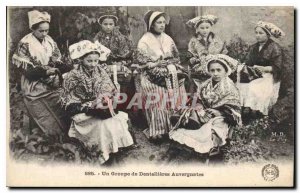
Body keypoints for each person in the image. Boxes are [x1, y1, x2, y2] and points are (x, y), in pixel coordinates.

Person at [61, 40, 134, 164]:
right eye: (89, 61)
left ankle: (114, 149)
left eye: (96, 61)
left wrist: (105, 101)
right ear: (81, 60)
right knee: (102, 125)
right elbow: (68, 99)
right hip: (81, 109)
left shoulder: (100, 71)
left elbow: (109, 89)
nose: (93, 64)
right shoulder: (73, 75)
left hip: (99, 107)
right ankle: (100, 153)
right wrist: (88, 107)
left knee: (116, 119)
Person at [12, 10, 71, 136]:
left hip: (51, 81)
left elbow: (56, 62)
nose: (44, 34)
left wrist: (68, 67)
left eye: (46, 31)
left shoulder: (49, 41)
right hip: (33, 84)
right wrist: (46, 72)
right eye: (41, 31)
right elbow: (27, 71)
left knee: (63, 98)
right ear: (33, 29)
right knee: (43, 107)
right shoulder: (25, 43)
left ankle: (66, 132)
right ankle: (53, 134)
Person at [170, 54, 240, 155]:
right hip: (204, 114)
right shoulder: (205, 84)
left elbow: (235, 110)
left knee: (210, 131)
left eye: (219, 70)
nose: (215, 73)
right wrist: (198, 106)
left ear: (225, 71)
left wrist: (219, 113)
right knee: (187, 121)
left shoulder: (230, 88)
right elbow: (196, 98)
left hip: (222, 117)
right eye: (212, 70)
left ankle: (212, 147)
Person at [134, 10, 188, 141]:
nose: (162, 25)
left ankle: (177, 124)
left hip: (169, 71)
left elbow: (176, 57)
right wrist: (157, 63)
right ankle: (158, 129)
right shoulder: (144, 41)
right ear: (152, 25)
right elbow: (142, 63)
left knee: (179, 85)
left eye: (164, 22)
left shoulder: (167, 38)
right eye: (159, 22)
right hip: (151, 74)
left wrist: (169, 63)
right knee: (158, 94)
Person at [237, 21, 284, 118]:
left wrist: (264, 69)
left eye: (261, 33)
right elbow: (249, 61)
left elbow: (277, 67)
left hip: (268, 74)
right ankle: (246, 109)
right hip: (254, 73)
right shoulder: (254, 47)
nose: (257, 35)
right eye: (256, 33)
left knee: (256, 87)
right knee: (240, 83)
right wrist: (246, 67)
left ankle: (258, 112)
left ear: (268, 35)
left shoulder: (275, 47)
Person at [93, 14, 134, 94]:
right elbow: (95, 52)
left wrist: (120, 61)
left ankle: (121, 95)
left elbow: (125, 52)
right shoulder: (98, 37)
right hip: (103, 63)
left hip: (119, 62)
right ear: (101, 24)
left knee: (125, 76)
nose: (108, 27)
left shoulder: (119, 37)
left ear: (114, 25)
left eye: (111, 24)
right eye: (105, 24)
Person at [186, 15, 227, 89]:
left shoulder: (216, 39)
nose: (205, 30)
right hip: (199, 65)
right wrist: (196, 59)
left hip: (215, 63)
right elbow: (191, 54)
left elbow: (223, 51)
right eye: (202, 28)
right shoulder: (194, 40)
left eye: (207, 27)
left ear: (211, 27)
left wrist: (217, 58)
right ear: (197, 28)